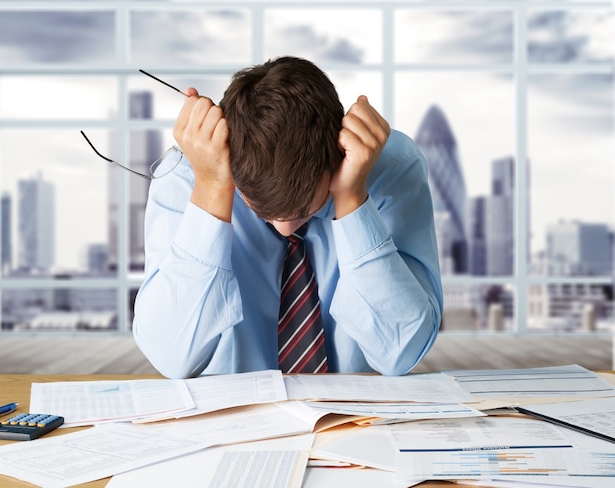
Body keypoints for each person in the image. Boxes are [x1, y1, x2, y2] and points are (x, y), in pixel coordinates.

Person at [133, 56, 443, 378]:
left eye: (304, 210)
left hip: (355, 417)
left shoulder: (389, 166)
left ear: (338, 157)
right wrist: (212, 191)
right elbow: (170, 357)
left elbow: (402, 352)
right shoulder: (186, 177)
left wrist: (352, 198)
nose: (285, 227)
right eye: (261, 209)